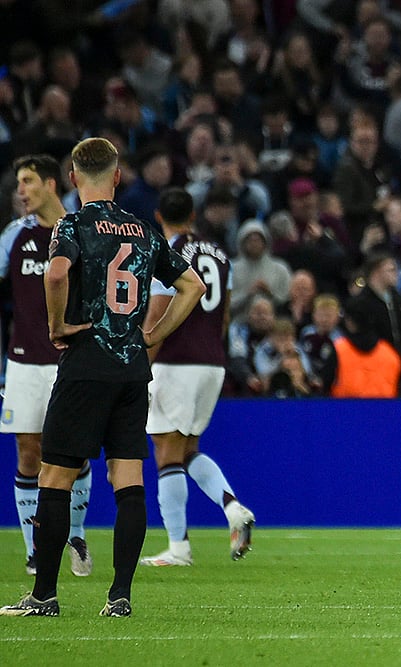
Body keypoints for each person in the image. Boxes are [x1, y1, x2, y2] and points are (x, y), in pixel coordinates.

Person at [0, 137, 204, 618]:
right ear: (116, 177)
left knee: (54, 476)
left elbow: (55, 276)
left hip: (85, 363)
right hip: (132, 369)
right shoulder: (143, 231)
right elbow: (191, 285)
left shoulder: (72, 223)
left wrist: (56, 326)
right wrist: (152, 334)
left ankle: (44, 595)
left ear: (72, 179)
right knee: (127, 478)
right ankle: (120, 597)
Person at [139, 188, 256, 568]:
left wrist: (143, 363)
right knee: (188, 449)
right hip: (211, 363)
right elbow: (222, 317)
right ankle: (232, 506)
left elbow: (157, 312)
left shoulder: (167, 253)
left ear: (159, 216)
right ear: (193, 214)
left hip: (175, 362)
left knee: (165, 452)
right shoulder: (220, 254)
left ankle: (178, 547)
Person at [0, 155, 93, 578]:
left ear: (51, 184)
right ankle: (35, 552)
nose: (21, 190)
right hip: (23, 362)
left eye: (28, 181)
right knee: (27, 453)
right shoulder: (13, 237)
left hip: (68, 361)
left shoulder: (80, 232)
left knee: (74, 454)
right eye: (18, 183)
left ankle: (75, 533)